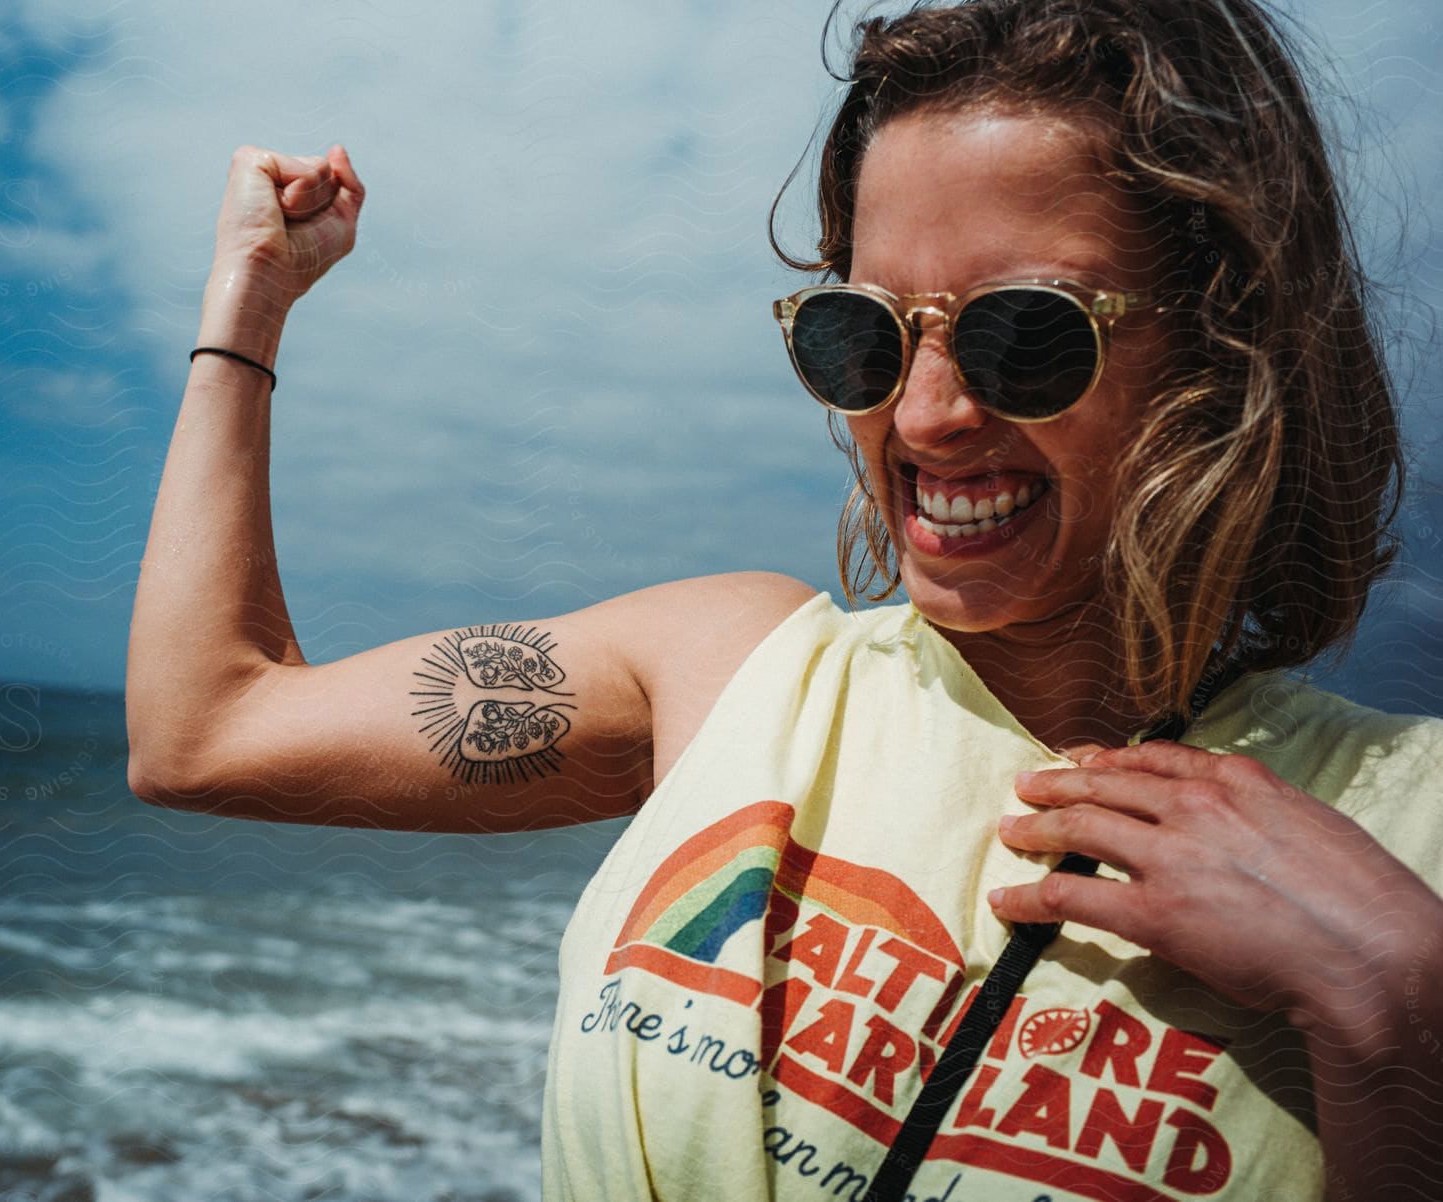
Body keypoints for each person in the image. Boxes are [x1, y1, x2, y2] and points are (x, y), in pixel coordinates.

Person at [125, 0, 1443, 1195]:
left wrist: (1399, 1027)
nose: (924, 416)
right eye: (863, 336)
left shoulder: (1409, 836)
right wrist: (251, 302)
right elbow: (207, 729)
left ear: (1221, 340)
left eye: (1026, 332)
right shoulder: (733, 668)